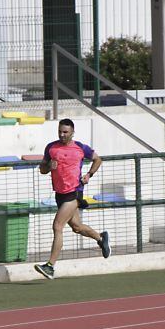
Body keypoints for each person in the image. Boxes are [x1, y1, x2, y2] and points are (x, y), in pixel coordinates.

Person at [33, 118, 110, 280]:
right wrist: (48, 167)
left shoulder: (80, 148)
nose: (62, 134)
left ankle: (50, 266)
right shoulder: (51, 147)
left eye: (65, 132)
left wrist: (89, 174)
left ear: (72, 132)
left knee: (57, 226)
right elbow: (42, 169)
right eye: (60, 131)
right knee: (77, 227)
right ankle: (101, 238)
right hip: (59, 194)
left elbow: (98, 159)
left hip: (74, 192)